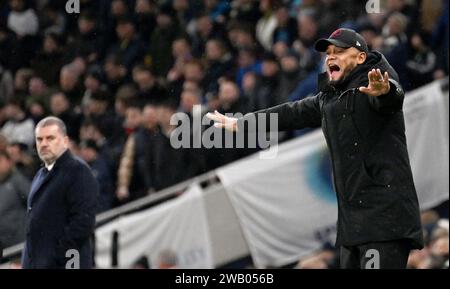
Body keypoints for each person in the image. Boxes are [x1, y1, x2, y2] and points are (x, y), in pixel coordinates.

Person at [207, 28, 424, 269]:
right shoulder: (328, 98)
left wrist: (385, 92)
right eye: (328, 53)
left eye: (339, 52)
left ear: (361, 57)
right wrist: (242, 123)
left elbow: (391, 97)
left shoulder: (374, 86)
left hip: (384, 220)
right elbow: (291, 112)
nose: (331, 57)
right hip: (353, 226)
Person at [21, 117, 98, 269]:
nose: (43, 144)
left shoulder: (78, 170)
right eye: (39, 139)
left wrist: (57, 257)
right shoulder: (40, 174)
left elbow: (83, 222)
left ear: (65, 141)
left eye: (50, 138)